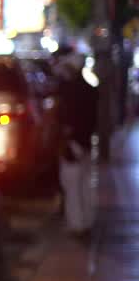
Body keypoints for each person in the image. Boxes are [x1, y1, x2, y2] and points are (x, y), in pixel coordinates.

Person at [51, 46, 99, 238]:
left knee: (72, 186)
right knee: (84, 185)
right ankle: (85, 221)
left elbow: (66, 118)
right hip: (85, 143)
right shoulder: (88, 89)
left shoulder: (70, 90)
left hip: (74, 143)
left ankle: (77, 224)